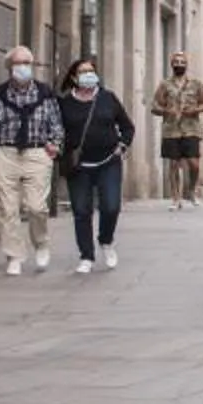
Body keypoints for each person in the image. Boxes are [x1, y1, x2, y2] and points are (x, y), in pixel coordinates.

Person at [0, 44, 63, 277]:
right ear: (9, 67)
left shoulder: (45, 94)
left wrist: (54, 143)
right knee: (7, 208)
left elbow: (56, 123)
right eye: (18, 63)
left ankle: (41, 243)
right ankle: (14, 255)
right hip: (6, 153)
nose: (22, 67)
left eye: (26, 63)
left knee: (37, 207)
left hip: (37, 153)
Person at [54, 55, 138, 275]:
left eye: (91, 71)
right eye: (83, 72)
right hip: (79, 166)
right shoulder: (64, 104)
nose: (88, 75)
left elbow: (127, 126)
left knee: (111, 206)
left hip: (108, 161)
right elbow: (56, 132)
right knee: (82, 210)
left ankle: (106, 240)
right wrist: (57, 149)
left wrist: (122, 145)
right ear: (74, 77)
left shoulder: (107, 98)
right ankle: (86, 256)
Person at [151, 52, 203, 209]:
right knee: (174, 164)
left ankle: (191, 190)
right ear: (172, 64)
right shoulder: (165, 85)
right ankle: (175, 198)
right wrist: (166, 111)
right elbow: (155, 105)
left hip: (191, 128)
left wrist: (195, 110)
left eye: (182, 62)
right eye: (176, 62)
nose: (179, 65)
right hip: (171, 129)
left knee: (194, 163)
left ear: (187, 65)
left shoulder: (196, 84)